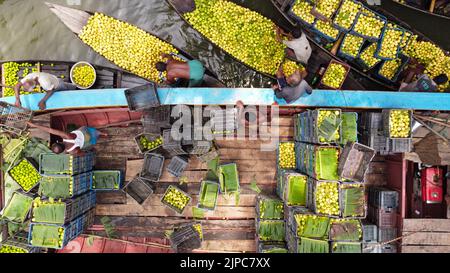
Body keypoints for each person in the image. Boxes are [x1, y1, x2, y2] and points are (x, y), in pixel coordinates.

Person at [27, 122, 107, 155]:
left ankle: (100, 135)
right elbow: (50, 130)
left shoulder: (72, 151)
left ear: (63, 151)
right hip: (85, 132)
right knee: (90, 130)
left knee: (91, 142)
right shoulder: (66, 136)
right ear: (59, 142)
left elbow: (82, 153)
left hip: (88, 141)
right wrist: (34, 125)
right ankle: (101, 133)